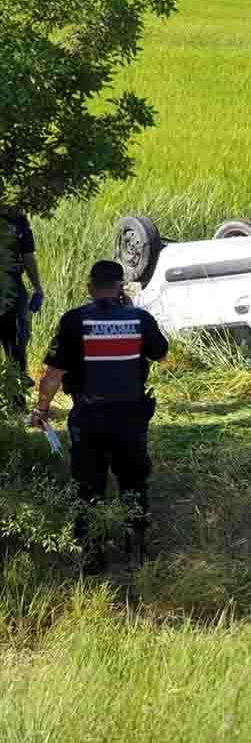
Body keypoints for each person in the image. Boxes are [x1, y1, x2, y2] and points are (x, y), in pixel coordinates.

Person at [30, 260, 168, 571]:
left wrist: (41, 410)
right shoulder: (140, 319)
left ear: (91, 288)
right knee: (133, 482)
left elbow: (52, 375)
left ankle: (92, 557)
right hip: (130, 419)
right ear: (120, 287)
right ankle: (137, 551)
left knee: (89, 486)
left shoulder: (73, 321)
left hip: (88, 419)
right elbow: (161, 354)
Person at [0, 206, 45, 379]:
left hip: (13, 284)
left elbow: (28, 256)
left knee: (20, 334)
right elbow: (28, 257)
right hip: (9, 286)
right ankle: (17, 380)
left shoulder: (20, 220)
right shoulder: (17, 220)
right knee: (17, 337)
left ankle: (17, 383)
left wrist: (38, 288)